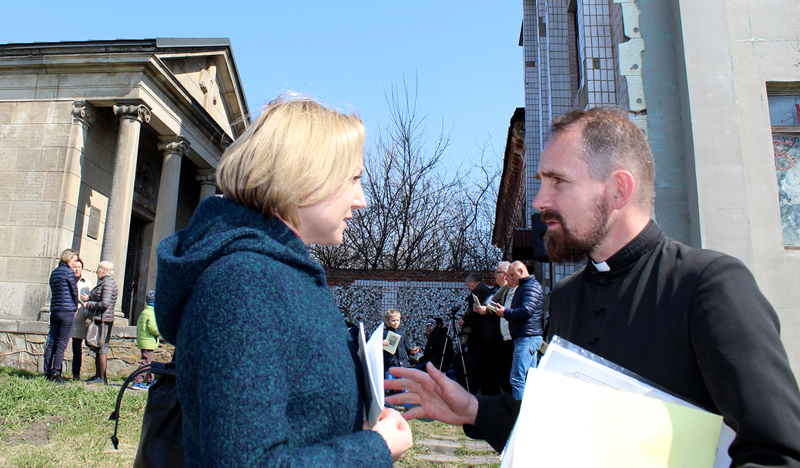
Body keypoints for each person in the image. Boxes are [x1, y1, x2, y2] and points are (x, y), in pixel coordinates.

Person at [385, 107, 800, 466]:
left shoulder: (708, 285)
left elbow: (778, 452)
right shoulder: (566, 298)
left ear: (618, 189)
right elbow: (562, 429)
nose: (539, 201)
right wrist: (474, 409)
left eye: (558, 182)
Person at [155, 95, 411, 466]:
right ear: (305, 176)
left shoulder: (281, 273)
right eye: (354, 178)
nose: (362, 200)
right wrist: (374, 450)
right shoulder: (243, 284)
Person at [493, 261, 544, 400]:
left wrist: (505, 313)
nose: (509, 278)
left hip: (527, 337)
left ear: (521, 271)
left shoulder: (530, 287)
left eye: (512, 275)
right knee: (528, 379)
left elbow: (527, 311)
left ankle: (517, 410)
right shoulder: (525, 287)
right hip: (527, 336)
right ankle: (526, 409)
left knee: (517, 378)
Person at [472, 262, 513, 394]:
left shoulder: (508, 290)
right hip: (485, 336)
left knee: (494, 370)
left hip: (496, 337)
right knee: (485, 369)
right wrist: (478, 308)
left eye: (497, 272)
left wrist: (487, 310)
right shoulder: (494, 289)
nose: (494, 275)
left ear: (505, 275)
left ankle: (494, 397)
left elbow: (504, 310)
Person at [43, 248, 79, 383]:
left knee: (52, 342)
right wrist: (75, 306)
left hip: (55, 310)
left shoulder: (54, 272)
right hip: (67, 311)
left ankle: (47, 372)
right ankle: (56, 373)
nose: (75, 263)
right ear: (68, 259)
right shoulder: (69, 272)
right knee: (62, 344)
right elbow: (74, 291)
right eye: (74, 260)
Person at [462, 272, 501, 395]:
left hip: (481, 332)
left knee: (478, 362)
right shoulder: (488, 289)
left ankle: (474, 390)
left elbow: (473, 310)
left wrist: (465, 319)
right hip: (486, 332)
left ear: (473, 282)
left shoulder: (478, 290)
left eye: (468, 285)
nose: (468, 288)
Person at [81, 260, 118, 385]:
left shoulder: (108, 283)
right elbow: (101, 297)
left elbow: (105, 303)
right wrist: (89, 298)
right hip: (101, 318)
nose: (97, 271)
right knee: (98, 347)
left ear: (104, 270)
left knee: (102, 348)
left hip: (103, 319)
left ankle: (101, 378)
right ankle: (98, 376)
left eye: (99, 268)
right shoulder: (106, 283)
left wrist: (88, 304)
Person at [69, 257, 92, 381]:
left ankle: (76, 374)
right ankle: (56, 372)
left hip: (79, 318)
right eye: (74, 267)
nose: (77, 269)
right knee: (61, 345)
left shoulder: (87, 283)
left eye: (79, 267)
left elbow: (89, 299)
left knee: (77, 348)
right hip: (67, 316)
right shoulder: (67, 280)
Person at [132, 290, 160, 390]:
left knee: (149, 362)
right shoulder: (151, 313)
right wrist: (161, 332)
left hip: (144, 341)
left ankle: (151, 381)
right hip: (148, 341)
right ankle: (138, 381)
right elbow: (153, 328)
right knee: (146, 363)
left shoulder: (144, 312)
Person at [382, 309, 413, 375]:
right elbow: (374, 344)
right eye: (393, 320)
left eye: (397, 320)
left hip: (403, 363)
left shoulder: (402, 332)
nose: (396, 322)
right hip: (390, 364)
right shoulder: (383, 333)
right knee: (390, 380)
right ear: (388, 321)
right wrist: (381, 343)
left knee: (402, 380)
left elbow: (406, 346)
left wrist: (412, 350)